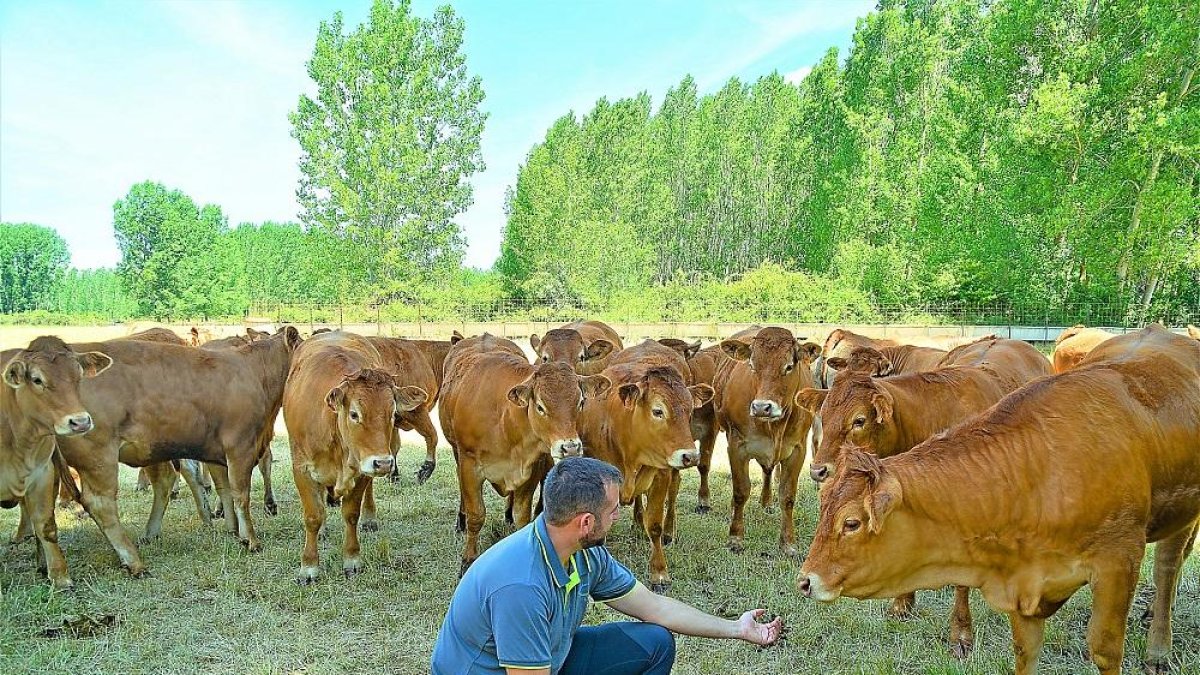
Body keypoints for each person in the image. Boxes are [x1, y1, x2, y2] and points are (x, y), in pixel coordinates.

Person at [431, 456, 783, 674]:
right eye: (613, 509)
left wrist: (737, 629)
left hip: (550, 659)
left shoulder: (584, 551)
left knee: (654, 642)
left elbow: (655, 606)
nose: (619, 514)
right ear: (585, 522)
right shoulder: (520, 585)